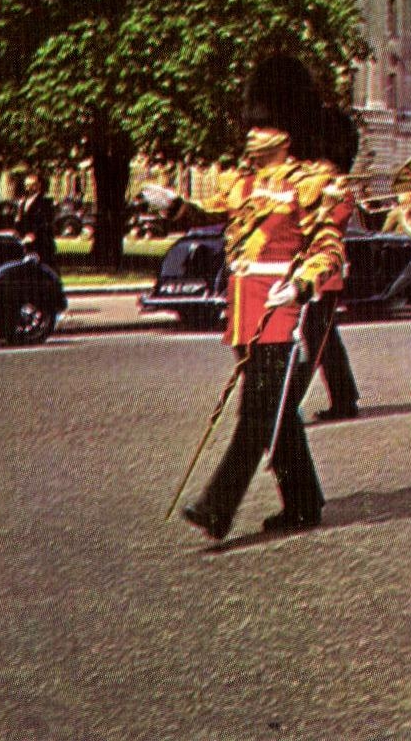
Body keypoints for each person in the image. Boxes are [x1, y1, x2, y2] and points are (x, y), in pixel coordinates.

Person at [165, 55, 344, 540]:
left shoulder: (309, 182)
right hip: (245, 307)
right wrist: (176, 206)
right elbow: (211, 214)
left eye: (262, 125)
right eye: (252, 123)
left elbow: (328, 248)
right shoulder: (241, 182)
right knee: (279, 410)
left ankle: (216, 506)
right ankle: (304, 500)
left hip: (280, 306)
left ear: (286, 131)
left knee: (257, 411)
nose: (251, 134)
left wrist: (302, 283)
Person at [296, 107, 363, 422]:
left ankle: (296, 399)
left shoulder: (341, 191)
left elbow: (329, 226)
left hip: (326, 271)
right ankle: (345, 396)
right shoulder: (313, 185)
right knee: (323, 338)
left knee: (317, 338)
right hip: (306, 268)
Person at [14, 173, 57, 268]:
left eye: (32, 185)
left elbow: (46, 221)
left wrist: (34, 234)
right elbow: (20, 222)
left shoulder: (46, 201)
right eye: (27, 185)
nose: (29, 188)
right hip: (26, 242)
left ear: (39, 185)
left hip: (42, 243)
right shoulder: (23, 202)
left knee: (46, 270)